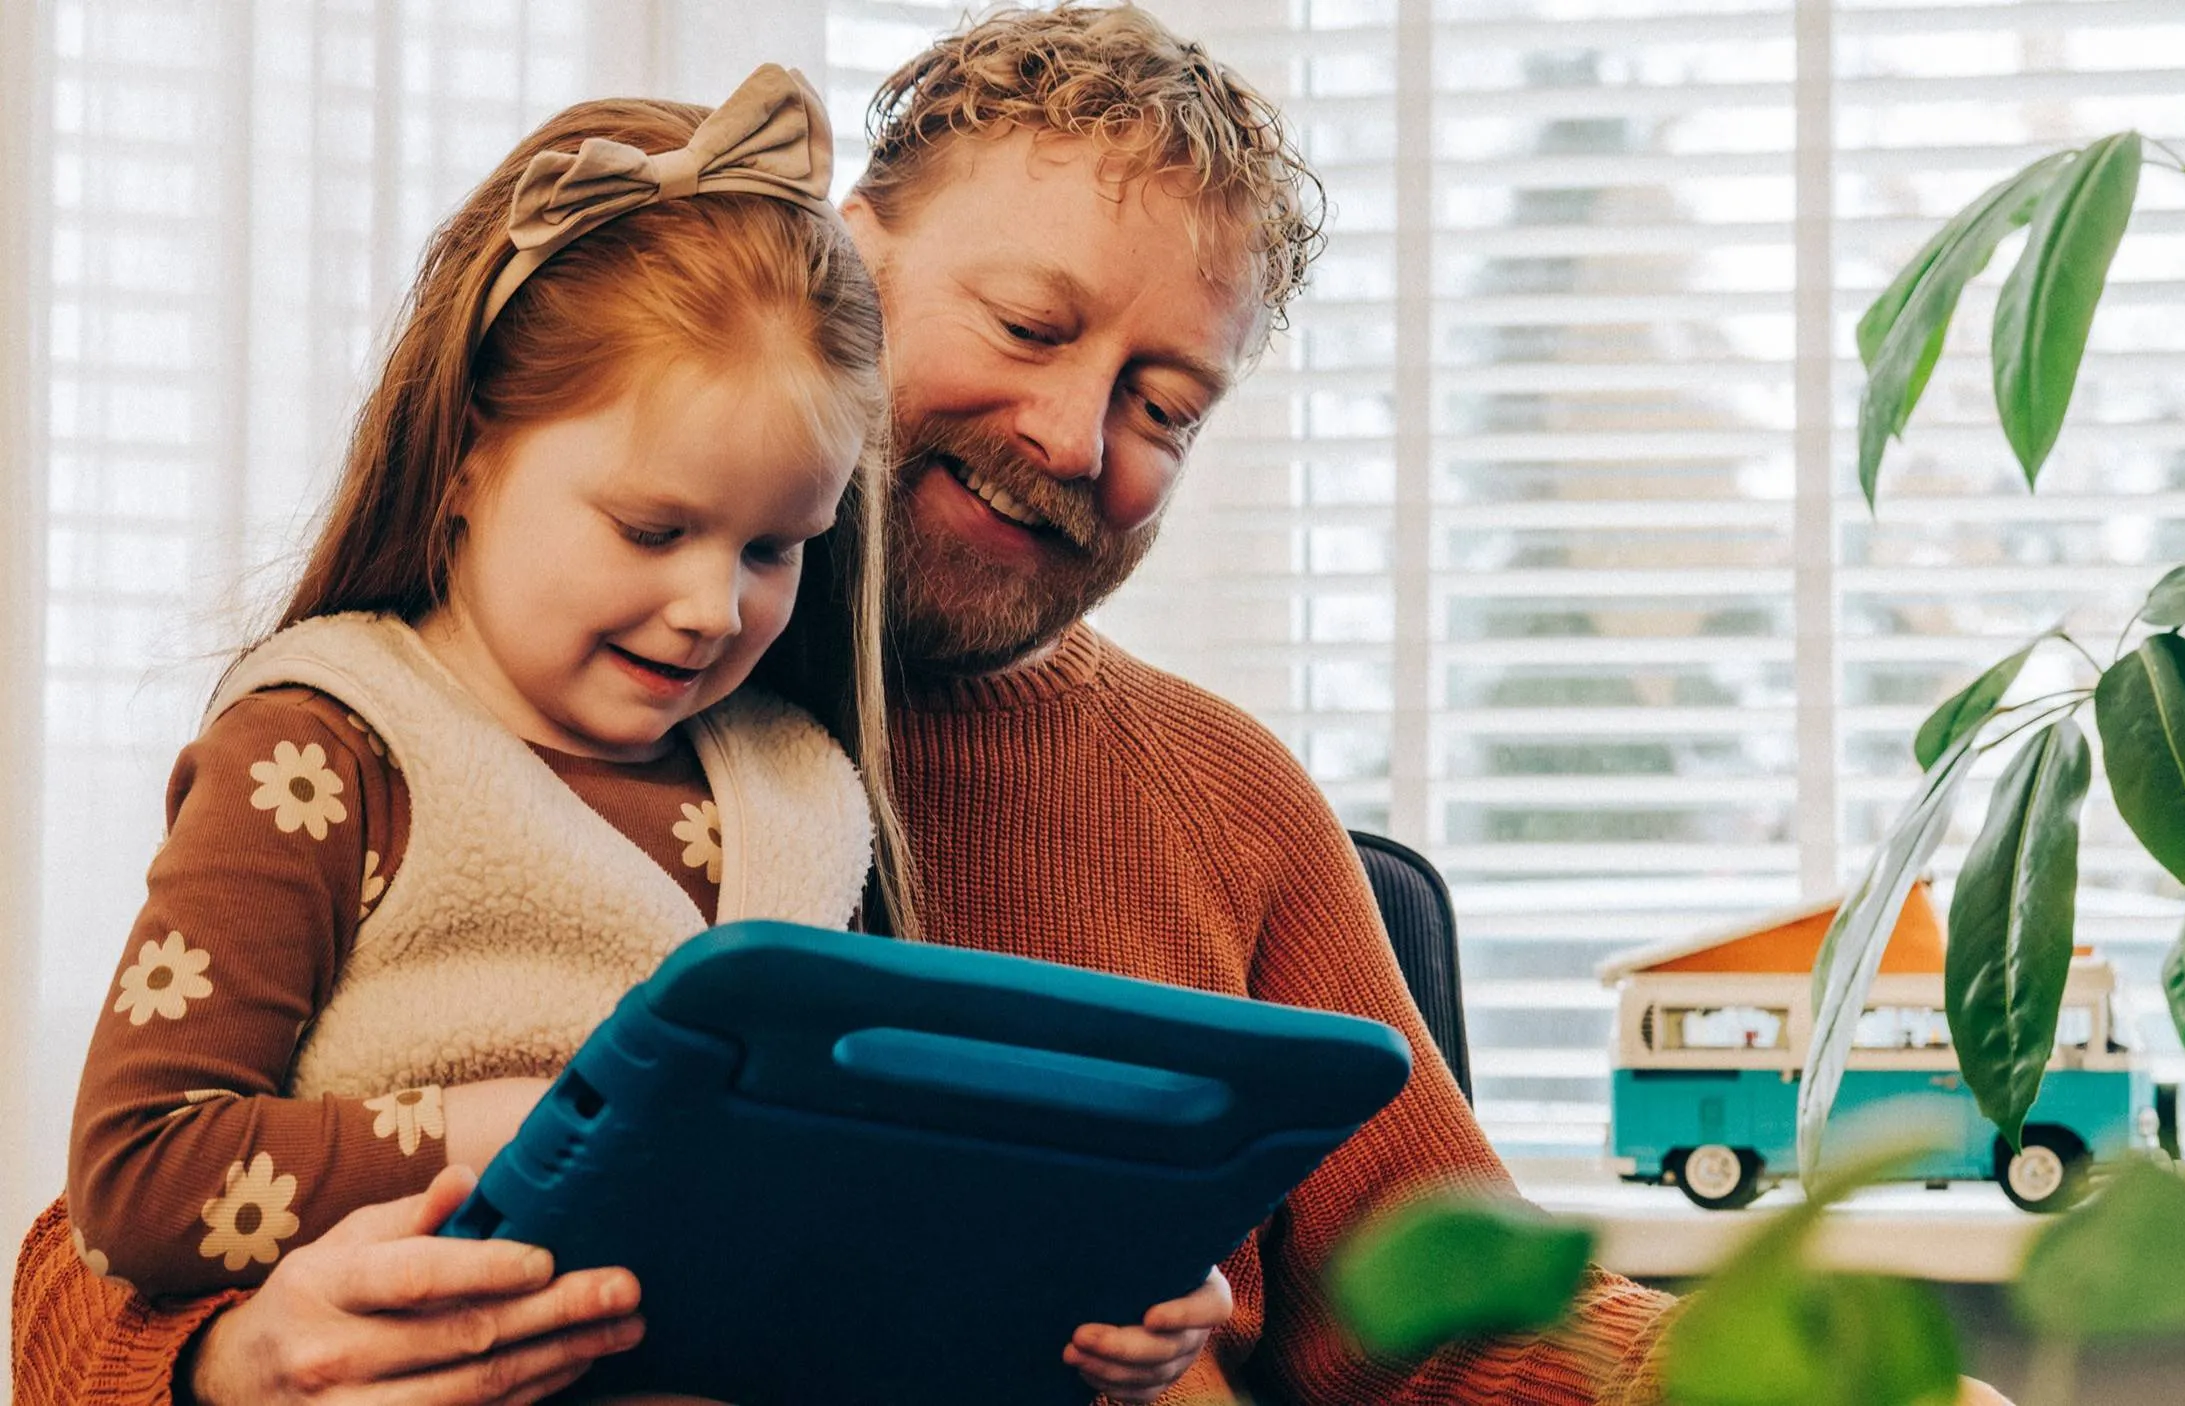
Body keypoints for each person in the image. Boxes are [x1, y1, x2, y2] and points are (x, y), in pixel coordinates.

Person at [15, 9, 2012, 1405]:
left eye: (1166, 403)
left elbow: (1466, 1311)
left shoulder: (1208, 801)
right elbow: (95, 1258)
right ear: (843, 274)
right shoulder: (440, 729)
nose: (1075, 435)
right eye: (1030, 326)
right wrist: (227, 1363)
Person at [20, 58, 1223, 1405]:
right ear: (470, 451)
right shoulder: (329, 750)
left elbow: (879, 1173)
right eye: (652, 529)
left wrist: (1108, 1265)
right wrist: (495, 1134)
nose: (711, 607)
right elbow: (131, 1176)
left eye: (776, 547)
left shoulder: (808, 783)